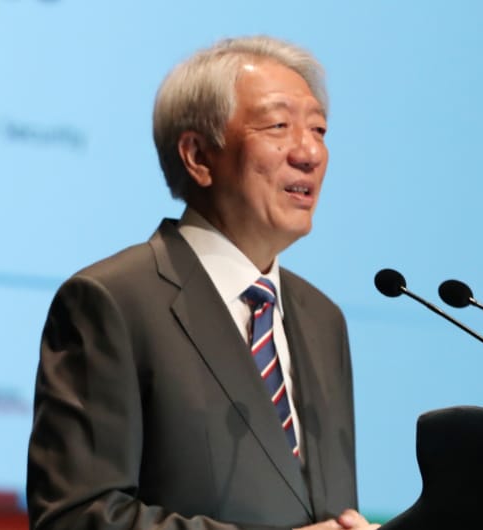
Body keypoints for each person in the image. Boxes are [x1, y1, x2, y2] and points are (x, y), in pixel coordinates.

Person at [26, 36, 376, 530]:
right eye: (279, 126)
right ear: (197, 156)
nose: (309, 152)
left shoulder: (322, 318)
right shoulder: (113, 301)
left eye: (318, 128)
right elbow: (77, 517)